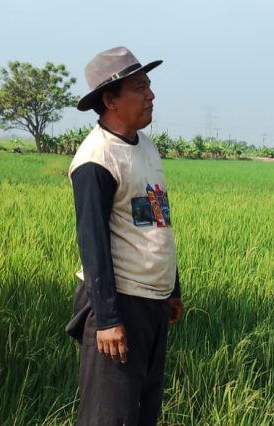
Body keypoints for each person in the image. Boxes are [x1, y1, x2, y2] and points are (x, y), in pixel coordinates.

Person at [65, 46, 184, 426]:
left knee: (143, 411)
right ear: (110, 100)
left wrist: (173, 288)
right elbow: (93, 243)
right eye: (140, 87)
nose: (151, 95)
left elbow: (156, 221)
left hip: (151, 300)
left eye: (149, 85)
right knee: (109, 417)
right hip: (118, 304)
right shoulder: (96, 159)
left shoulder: (146, 148)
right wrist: (107, 319)